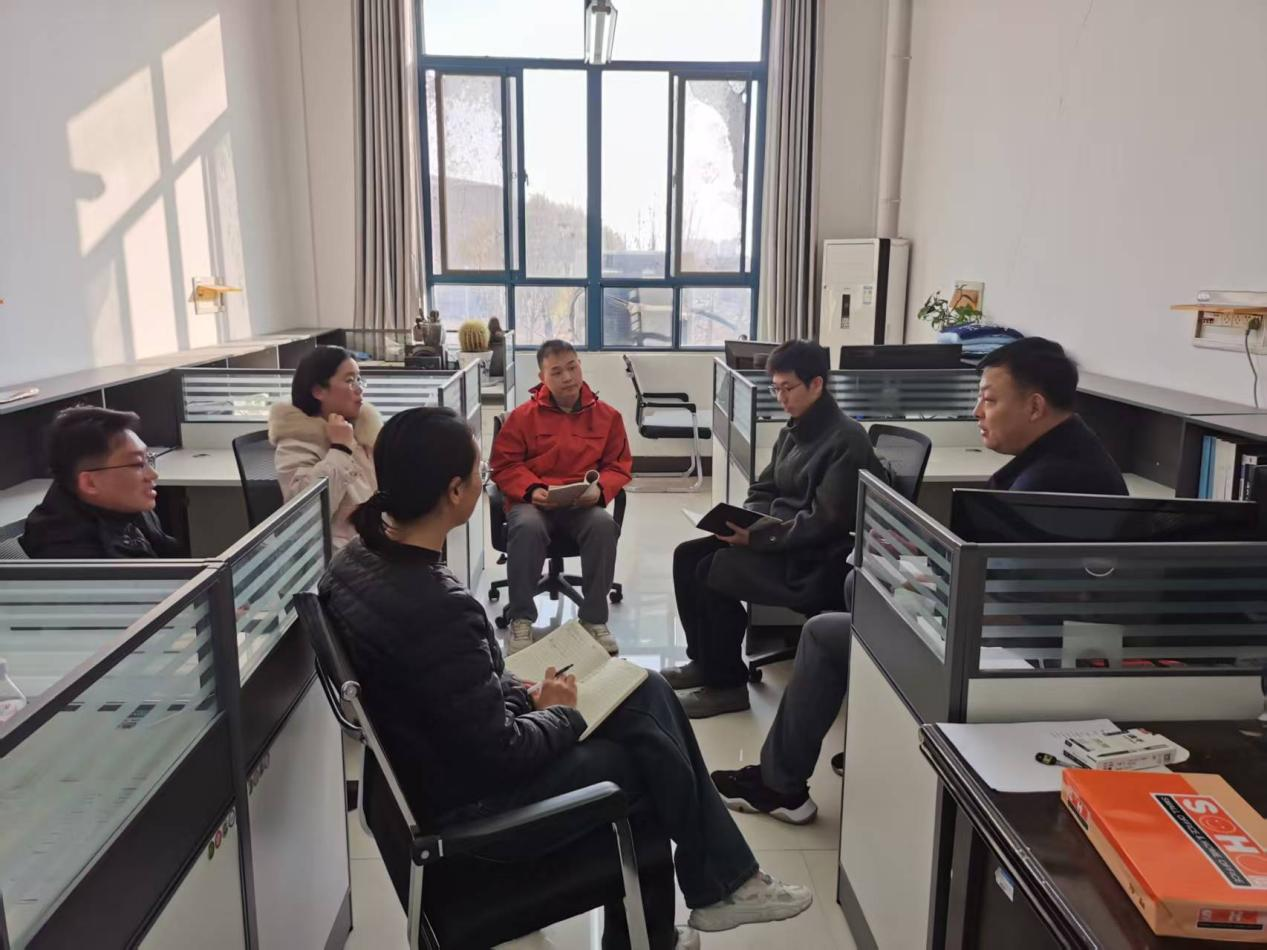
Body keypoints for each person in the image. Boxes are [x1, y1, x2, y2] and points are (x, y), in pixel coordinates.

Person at [318, 407, 813, 949]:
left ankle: (724, 888)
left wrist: (521, 694)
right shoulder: (437, 607)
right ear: (454, 490)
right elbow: (501, 752)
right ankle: (687, 912)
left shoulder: (356, 562)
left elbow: (450, 690)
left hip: (435, 767)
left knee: (644, 689)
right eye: (480, 472)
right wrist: (560, 713)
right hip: (473, 809)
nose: (485, 481)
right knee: (645, 765)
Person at [710, 335, 1128, 825]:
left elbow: (996, 599)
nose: (977, 412)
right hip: (1004, 624)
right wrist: (916, 561)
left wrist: (919, 578)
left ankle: (780, 785)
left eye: (989, 399)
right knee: (857, 586)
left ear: (1034, 406)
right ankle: (873, 739)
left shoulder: (1050, 484)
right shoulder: (1060, 454)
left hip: (1009, 652)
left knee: (825, 631)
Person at [664, 340, 887, 719]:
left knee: (713, 570)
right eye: (775, 388)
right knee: (687, 556)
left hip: (815, 560)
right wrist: (745, 520)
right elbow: (764, 488)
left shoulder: (845, 439)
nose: (780, 398)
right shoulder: (794, 431)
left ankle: (727, 686)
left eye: (788, 388)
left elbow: (825, 522)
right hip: (780, 540)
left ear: (816, 384)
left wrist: (756, 537)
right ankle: (703, 662)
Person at [490, 339, 633, 656]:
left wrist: (600, 489)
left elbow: (618, 465)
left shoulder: (608, 417)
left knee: (603, 525)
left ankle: (594, 619)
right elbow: (504, 465)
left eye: (572, 367)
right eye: (556, 372)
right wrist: (531, 489)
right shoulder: (522, 417)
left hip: (581, 504)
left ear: (580, 365)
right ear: (542, 377)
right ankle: (521, 619)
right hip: (533, 502)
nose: (568, 377)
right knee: (527, 526)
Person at [20, 406, 184, 558]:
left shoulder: (125, 506)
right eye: (137, 464)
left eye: (148, 459)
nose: (153, 474)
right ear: (89, 483)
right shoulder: (77, 558)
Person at [269, 345, 381, 550]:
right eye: (349, 381)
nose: (359, 388)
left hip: (372, 545)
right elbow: (303, 515)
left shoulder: (360, 432)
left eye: (359, 379)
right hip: (337, 556)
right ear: (318, 391)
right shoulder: (297, 441)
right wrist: (340, 449)